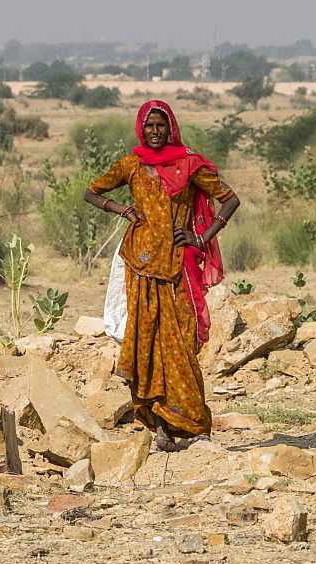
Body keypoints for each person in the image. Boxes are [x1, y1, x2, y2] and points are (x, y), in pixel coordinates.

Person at [83, 100, 240, 452]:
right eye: (149, 125)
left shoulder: (189, 164)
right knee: (145, 344)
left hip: (177, 267)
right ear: (142, 127)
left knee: (182, 345)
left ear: (171, 129)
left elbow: (230, 200)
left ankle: (196, 425)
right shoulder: (131, 164)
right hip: (138, 266)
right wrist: (122, 209)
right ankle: (161, 430)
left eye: (161, 125)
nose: (155, 131)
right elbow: (90, 192)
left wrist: (201, 237)